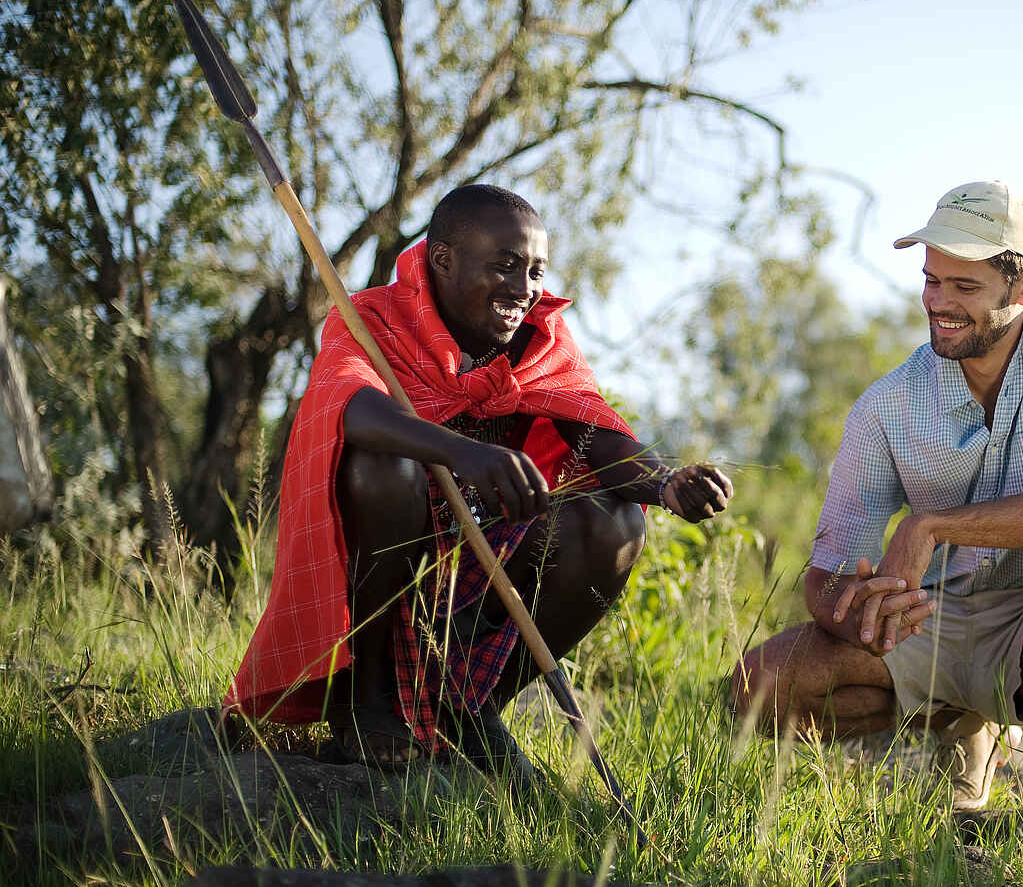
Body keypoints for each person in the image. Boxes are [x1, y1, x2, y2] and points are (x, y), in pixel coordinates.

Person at [225, 184, 732, 785]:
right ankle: (366, 702)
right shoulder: (370, 318)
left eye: (536, 271)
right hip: (386, 557)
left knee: (615, 520)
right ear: (443, 260)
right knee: (382, 467)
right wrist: (465, 454)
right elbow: (351, 409)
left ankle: (467, 705)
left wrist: (667, 483)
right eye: (504, 266)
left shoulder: (537, 336)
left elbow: (594, 435)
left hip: (482, 557)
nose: (524, 289)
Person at [730, 181, 1023, 869]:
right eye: (930, 280)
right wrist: (863, 614)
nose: (937, 302)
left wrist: (928, 526)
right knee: (754, 687)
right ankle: (958, 726)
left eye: (963, 284)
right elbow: (827, 573)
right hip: (934, 622)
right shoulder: (884, 406)